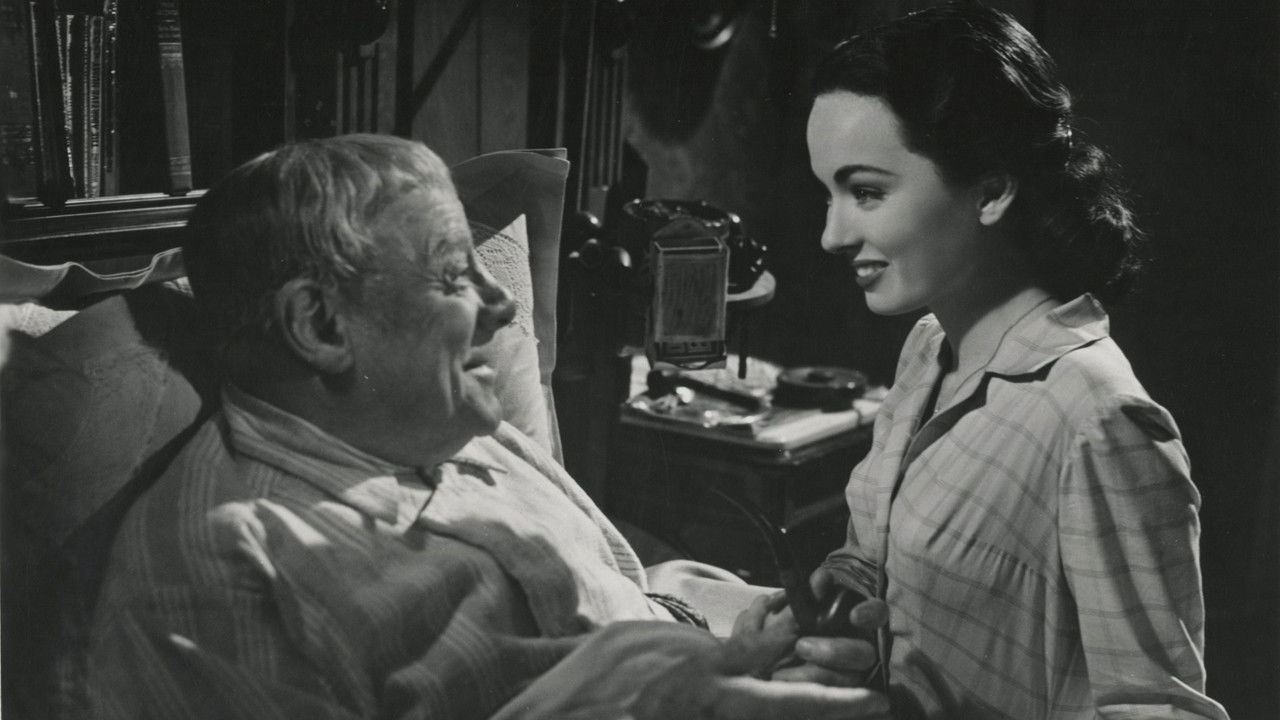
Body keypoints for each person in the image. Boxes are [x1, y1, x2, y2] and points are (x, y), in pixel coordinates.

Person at [82, 134, 889, 720]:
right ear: (320, 325)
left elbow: (625, 596)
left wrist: (751, 638)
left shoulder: (461, 429)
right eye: (452, 274)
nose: (501, 305)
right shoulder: (222, 570)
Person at [797, 3, 1231, 718]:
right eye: (829, 194)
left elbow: (1160, 708)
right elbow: (902, 562)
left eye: (866, 192)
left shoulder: (1096, 418)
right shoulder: (930, 349)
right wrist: (844, 603)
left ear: (992, 191)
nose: (832, 235)